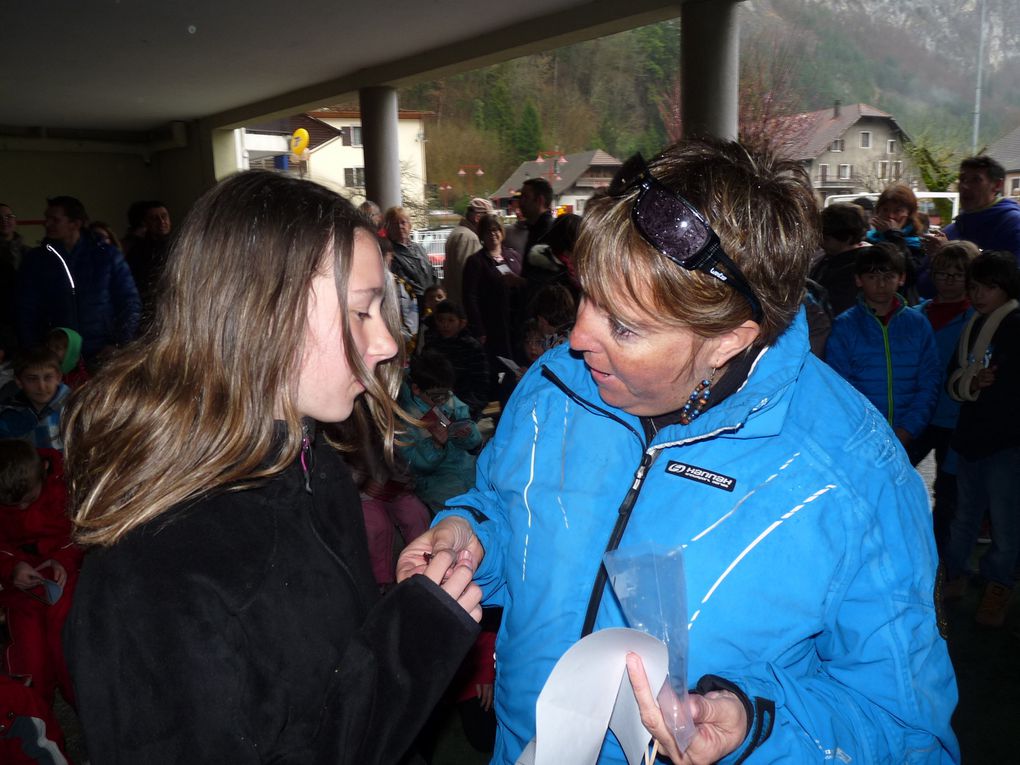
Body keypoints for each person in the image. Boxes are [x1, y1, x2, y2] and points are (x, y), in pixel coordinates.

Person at [399, 139, 958, 764]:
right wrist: (469, 535)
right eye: (587, 295)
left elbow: (908, 733)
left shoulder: (852, 479)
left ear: (729, 340)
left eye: (625, 326)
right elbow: (508, 509)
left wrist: (755, 729)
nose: (578, 338)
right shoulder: (555, 388)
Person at [61, 170, 482, 763]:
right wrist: (411, 645)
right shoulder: (154, 574)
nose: (387, 343)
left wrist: (399, 606)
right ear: (265, 313)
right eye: (362, 312)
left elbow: (318, 670)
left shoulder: (314, 464)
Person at [943, 250, 1020, 628]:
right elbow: (953, 376)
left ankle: (998, 585)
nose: (978, 294)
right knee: (966, 515)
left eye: (988, 287)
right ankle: (956, 575)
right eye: (974, 286)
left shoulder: (1014, 324)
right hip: (973, 435)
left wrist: (979, 383)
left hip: (1006, 440)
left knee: (1005, 522)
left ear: (1005, 288)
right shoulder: (974, 324)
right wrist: (972, 382)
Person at [824, 243, 941, 450]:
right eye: (872, 277)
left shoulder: (918, 324)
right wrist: (865, 429)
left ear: (901, 278)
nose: (881, 284)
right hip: (861, 434)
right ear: (858, 280)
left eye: (888, 277)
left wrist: (908, 429)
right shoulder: (845, 326)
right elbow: (840, 385)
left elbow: (929, 381)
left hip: (908, 432)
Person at [0, 440, 81, 712]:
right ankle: (36, 715)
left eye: (29, 500)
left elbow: (82, 531)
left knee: (66, 640)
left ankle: (82, 701)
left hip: (64, 576)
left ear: (44, 470)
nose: (22, 509)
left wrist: (62, 558)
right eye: (14, 505)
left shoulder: (68, 484)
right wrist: (13, 567)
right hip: (21, 586)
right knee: (29, 652)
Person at [908, 241, 978, 554]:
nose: (948, 280)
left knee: (948, 492)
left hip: (957, 418)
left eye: (957, 274)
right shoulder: (914, 314)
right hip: (918, 414)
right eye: (942, 273)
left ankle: (940, 557)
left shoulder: (978, 320)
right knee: (898, 475)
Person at [16, 196, 140, 366]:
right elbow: (26, 309)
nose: (47, 224)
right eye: (47, 218)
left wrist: (119, 344)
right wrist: (34, 350)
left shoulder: (107, 256)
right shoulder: (37, 260)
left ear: (75, 223)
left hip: (102, 352)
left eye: (55, 220)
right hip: (56, 354)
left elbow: (129, 302)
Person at [398, 351, 482, 513]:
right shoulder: (407, 418)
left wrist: (468, 435)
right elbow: (414, 464)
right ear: (416, 389)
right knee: (459, 512)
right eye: (437, 396)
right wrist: (435, 445)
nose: (443, 400)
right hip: (435, 482)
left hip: (467, 472)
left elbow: (474, 442)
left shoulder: (452, 402)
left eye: (446, 394)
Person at [925, 156, 1020, 263]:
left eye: (976, 180)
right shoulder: (951, 230)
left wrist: (948, 254)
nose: (965, 186)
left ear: (997, 185)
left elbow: (1009, 277)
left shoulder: (1012, 226)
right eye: (962, 179)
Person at [462, 213, 523, 365]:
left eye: (496, 230)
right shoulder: (475, 262)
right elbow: (470, 297)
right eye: (488, 231)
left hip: (516, 323)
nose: (493, 234)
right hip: (492, 325)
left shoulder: (514, 256)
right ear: (481, 235)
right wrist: (479, 328)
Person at [425, 300, 490, 419]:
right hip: (433, 402)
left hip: (464, 404)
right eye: (441, 320)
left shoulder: (471, 347)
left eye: (450, 320)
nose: (445, 325)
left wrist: (467, 408)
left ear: (462, 323)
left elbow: (481, 384)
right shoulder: (431, 346)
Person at [864, 183, 927, 301]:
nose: (890, 216)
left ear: (909, 214)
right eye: (885, 210)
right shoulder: (868, 240)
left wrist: (894, 236)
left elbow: (911, 275)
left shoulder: (918, 244)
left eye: (897, 211)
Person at [0, 348, 69, 451]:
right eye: (32, 379)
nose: (41, 386)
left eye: (48, 377)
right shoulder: (9, 416)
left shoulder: (72, 408)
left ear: (58, 378)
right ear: (19, 382)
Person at [811, 202, 868, 316]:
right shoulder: (828, 259)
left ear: (847, 238)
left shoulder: (857, 268)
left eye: (826, 239)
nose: (820, 242)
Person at [125, 201, 172, 320]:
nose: (161, 222)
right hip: (151, 311)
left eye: (164, 216)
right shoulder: (137, 251)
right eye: (154, 218)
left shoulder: (180, 245)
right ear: (145, 223)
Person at [444, 197, 494, 306]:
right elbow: (468, 278)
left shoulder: (458, 232)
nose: (491, 223)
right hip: (465, 307)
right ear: (477, 217)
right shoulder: (469, 238)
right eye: (489, 218)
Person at [384, 206, 437, 304]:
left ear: (410, 225)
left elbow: (432, 272)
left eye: (403, 222)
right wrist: (426, 298)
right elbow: (403, 281)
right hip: (412, 305)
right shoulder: (389, 254)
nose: (400, 226)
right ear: (388, 228)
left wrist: (435, 292)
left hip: (431, 302)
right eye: (395, 224)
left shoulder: (419, 248)